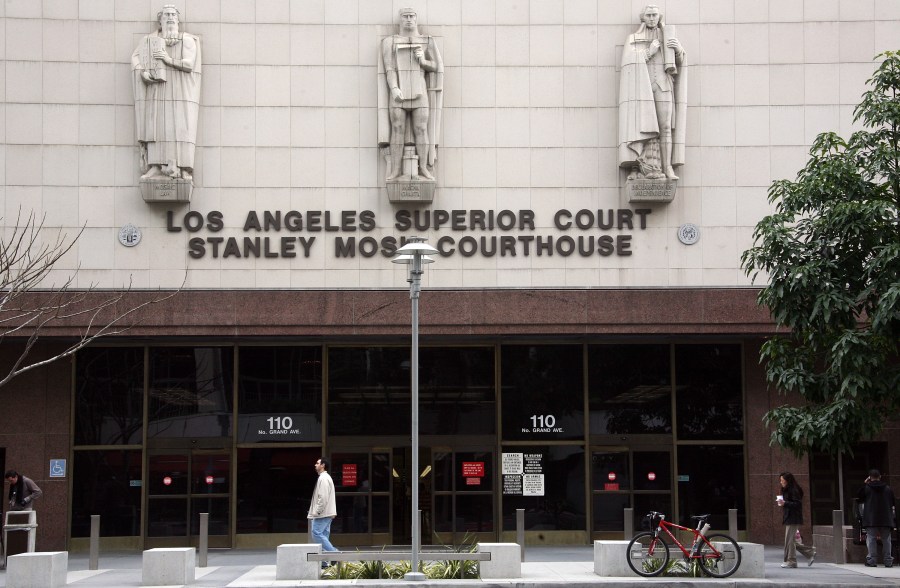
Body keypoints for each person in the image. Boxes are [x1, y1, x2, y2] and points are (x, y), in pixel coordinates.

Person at [131, 4, 201, 181]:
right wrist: (142, 72)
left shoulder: (186, 40)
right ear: (160, 21)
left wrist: (168, 60)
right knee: (158, 126)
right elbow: (136, 59)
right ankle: (156, 166)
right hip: (157, 89)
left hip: (181, 91)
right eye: (166, 15)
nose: (170, 18)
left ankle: (183, 167)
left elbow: (188, 64)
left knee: (180, 126)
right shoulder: (150, 40)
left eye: (173, 15)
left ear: (178, 20)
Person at [618, 4, 687, 181]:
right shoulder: (634, 38)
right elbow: (628, 61)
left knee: (665, 128)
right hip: (642, 89)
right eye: (648, 15)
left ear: (659, 17)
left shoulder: (667, 35)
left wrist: (678, 50)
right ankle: (641, 166)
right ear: (643, 17)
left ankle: (668, 167)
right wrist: (649, 52)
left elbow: (679, 62)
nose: (651, 18)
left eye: (654, 15)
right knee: (642, 127)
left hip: (663, 85)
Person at [378, 7, 444, 181]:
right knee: (397, 128)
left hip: (419, 91)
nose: (408, 19)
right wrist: (393, 88)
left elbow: (436, 66)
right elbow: (389, 68)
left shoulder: (426, 41)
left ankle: (423, 168)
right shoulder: (389, 42)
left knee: (421, 128)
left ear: (416, 19)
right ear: (400, 19)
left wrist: (422, 60)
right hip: (398, 92)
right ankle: (395, 169)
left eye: (411, 16)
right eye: (405, 16)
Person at [857, 469, 896, 567]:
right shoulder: (888, 488)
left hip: (871, 519)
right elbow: (893, 502)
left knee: (871, 539)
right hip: (886, 518)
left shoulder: (867, 488)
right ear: (880, 477)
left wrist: (865, 484)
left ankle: (872, 560)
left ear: (869, 477)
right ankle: (888, 561)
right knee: (886, 540)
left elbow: (859, 497)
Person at [776, 471, 816, 568]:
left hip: (793, 517)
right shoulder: (787, 489)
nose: (781, 482)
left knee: (789, 541)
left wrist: (785, 503)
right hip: (789, 517)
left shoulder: (794, 490)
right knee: (791, 540)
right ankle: (810, 553)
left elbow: (797, 504)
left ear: (787, 480)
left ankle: (792, 561)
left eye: (782, 480)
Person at [307, 457, 338, 566]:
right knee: (324, 535)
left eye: (317, 463)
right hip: (327, 513)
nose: (315, 465)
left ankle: (335, 554)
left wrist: (317, 512)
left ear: (323, 465)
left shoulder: (323, 478)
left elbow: (322, 497)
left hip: (323, 513)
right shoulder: (325, 477)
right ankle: (324, 562)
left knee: (316, 533)